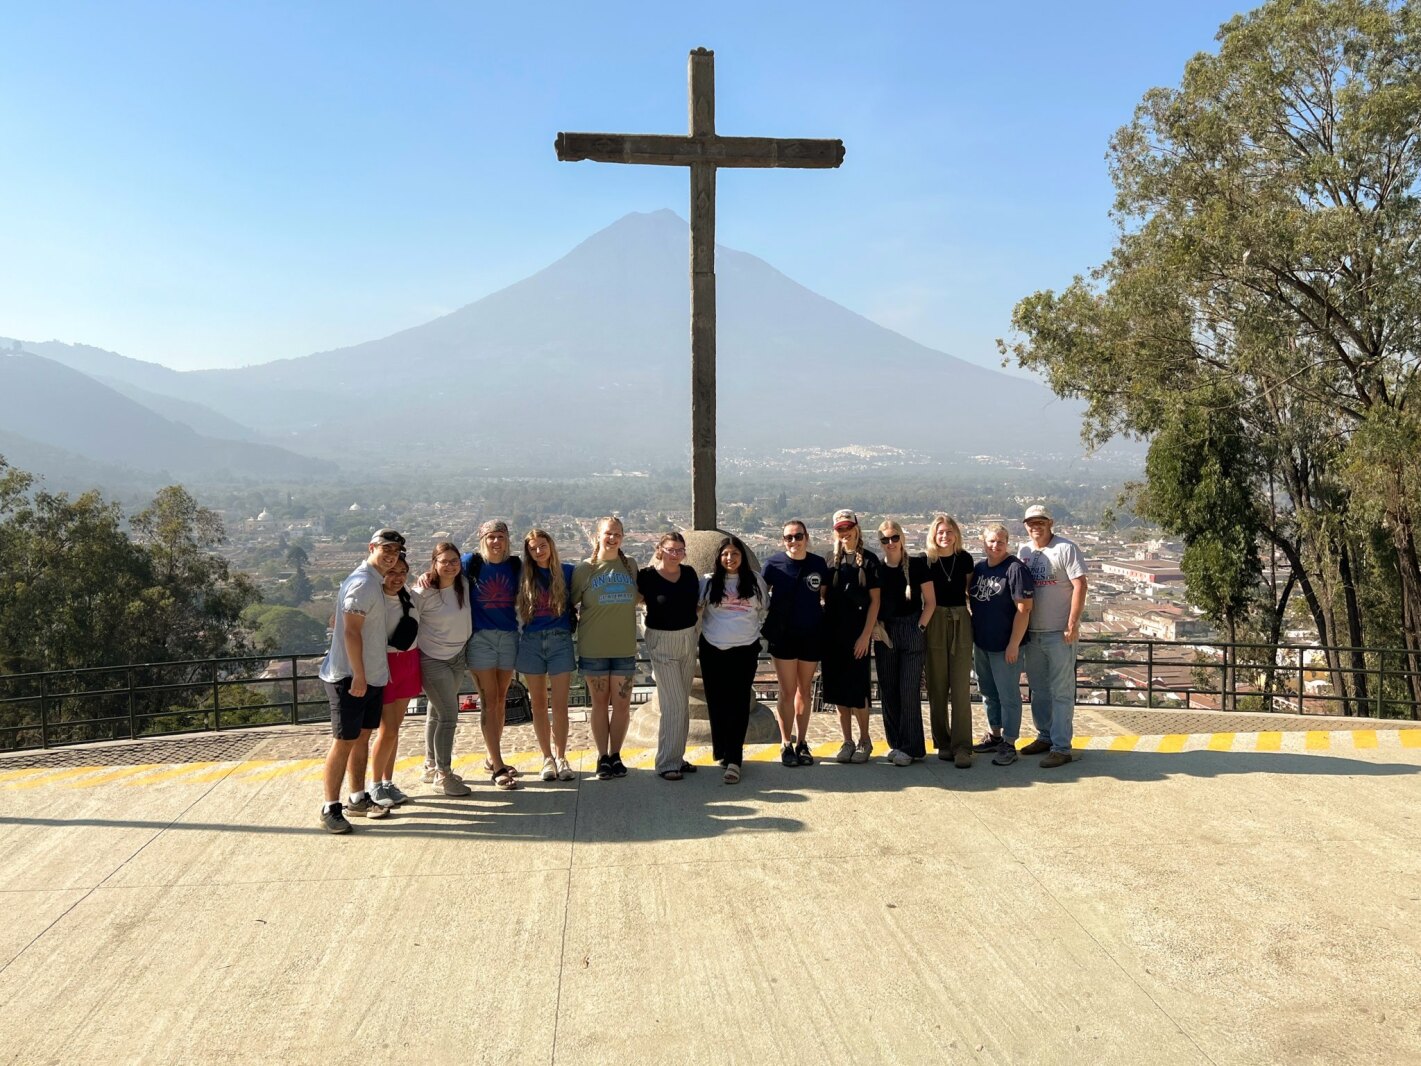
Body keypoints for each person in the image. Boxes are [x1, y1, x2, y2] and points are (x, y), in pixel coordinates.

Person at [317, 528, 404, 833]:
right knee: (343, 742)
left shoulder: (373, 581)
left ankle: (356, 797)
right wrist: (359, 675)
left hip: (370, 675)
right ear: (372, 548)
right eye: (386, 549)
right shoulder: (363, 583)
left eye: (395, 551)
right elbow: (350, 632)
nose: (391, 555)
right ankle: (330, 806)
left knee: (362, 738)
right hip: (351, 677)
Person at [1017, 505, 1088, 768]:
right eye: (1031, 522)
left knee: (1061, 691)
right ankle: (1045, 736)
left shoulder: (1066, 548)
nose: (1036, 526)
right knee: (1039, 690)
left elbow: (1080, 584)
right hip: (1032, 632)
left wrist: (1073, 623)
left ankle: (1061, 747)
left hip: (1060, 632)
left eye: (1041, 521)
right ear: (1025, 525)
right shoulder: (1024, 551)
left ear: (1051, 522)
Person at [570, 516, 639, 780]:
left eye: (618, 533)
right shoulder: (585, 570)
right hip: (594, 648)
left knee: (622, 705)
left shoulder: (629, 566)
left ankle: (616, 755)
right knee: (599, 704)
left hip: (624, 647)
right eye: (608, 533)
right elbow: (568, 602)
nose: (613, 538)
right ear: (597, 535)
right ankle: (602, 756)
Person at [698, 535, 769, 784]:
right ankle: (723, 752)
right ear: (719, 557)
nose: (730, 558)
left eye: (735, 553)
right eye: (726, 554)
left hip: (744, 648)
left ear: (743, 556)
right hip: (712, 648)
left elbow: (763, 609)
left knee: (738, 703)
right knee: (717, 703)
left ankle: (735, 759)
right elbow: (698, 610)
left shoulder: (755, 581)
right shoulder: (707, 583)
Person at [761, 519, 830, 768]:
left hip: (811, 634)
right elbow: (759, 595)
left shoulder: (818, 564)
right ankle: (785, 742)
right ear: (783, 540)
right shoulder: (773, 564)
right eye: (788, 537)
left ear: (806, 537)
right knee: (787, 692)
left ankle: (802, 742)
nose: (793, 541)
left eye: (797, 536)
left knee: (805, 691)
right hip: (783, 636)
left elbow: (825, 595)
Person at [968, 524, 1035, 766]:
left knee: (1009, 696)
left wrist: (1014, 644)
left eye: (1000, 541)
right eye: (991, 541)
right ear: (982, 542)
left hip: (1006, 645)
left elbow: (1024, 609)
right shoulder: (980, 569)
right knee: (988, 693)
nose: (995, 546)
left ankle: (1009, 741)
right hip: (982, 643)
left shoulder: (1015, 569)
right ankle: (994, 734)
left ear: (1008, 542)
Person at [637, 532, 702, 781]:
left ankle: (677, 756)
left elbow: (695, 603)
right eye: (671, 549)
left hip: (687, 638)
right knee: (673, 704)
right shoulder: (647, 576)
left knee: (681, 705)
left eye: (680, 550)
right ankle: (666, 762)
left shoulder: (688, 574)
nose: (676, 554)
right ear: (659, 549)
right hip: (662, 642)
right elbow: (636, 599)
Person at [464, 519, 522, 791]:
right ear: (482, 539)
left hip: (508, 636)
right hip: (481, 638)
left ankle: (492, 755)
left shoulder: (514, 566)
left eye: (500, 536)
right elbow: (442, 570)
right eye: (491, 537)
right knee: (488, 701)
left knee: (500, 699)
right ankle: (498, 765)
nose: (496, 542)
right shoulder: (470, 563)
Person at [516, 529, 578, 782]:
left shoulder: (568, 571)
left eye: (543, 545)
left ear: (551, 546)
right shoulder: (522, 574)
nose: (539, 551)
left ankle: (561, 756)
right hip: (530, 641)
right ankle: (546, 758)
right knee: (538, 705)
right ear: (528, 552)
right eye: (533, 548)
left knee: (561, 705)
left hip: (560, 639)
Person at [874, 519, 935, 766]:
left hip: (911, 628)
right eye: (885, 539)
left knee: (908, 690)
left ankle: (911, 747)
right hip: (885, 633)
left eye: (894, 538)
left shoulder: (918, 565)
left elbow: (930, 601)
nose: (890, 543)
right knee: (888, 691)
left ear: (902, 538)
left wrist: (919, 627)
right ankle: (896, 744)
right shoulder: (876, 569)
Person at [413, 542, 473, 797]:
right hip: (432, 659)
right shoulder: (423, 592)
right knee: (449, 715)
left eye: (454, 561)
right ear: (434, 563)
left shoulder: (464, 585)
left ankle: (430, 764)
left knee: (436, 713)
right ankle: (444, 774)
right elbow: (401, 613)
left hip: (458, 656)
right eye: (444, 561)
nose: (450, 566)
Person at [822, 509, 881, 764]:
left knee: (858, 693)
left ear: (856, 528)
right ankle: (846, 740)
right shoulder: (829, 561)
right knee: (838, 693)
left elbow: (875, 603)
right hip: (832, 636)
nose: (844, 533)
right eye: (840, 529)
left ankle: (865, 739)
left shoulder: (869, 561)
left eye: (848, 528)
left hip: (857, 635)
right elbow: (821, 596)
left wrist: (865, 636)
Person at [924, 513, 976, 767]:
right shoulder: (926, 561)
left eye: (949, 531)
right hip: (935, 620)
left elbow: (968, 592)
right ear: (934, 535)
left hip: (960, 621)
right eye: (940, 532)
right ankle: (942, 742)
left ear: (956, 533)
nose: (945, 536)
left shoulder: (965, 559)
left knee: (960, 687)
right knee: (936, 685)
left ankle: (963, 746)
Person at [369, 553, 419, 808]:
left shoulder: (410, 595)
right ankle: (375, 785)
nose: (397, 577)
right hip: (385, 666)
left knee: (394, 729)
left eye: (402, 572)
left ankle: (388, 782)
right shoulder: (373, 598)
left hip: (408, 662)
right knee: (387, 729)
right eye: (391, 572)